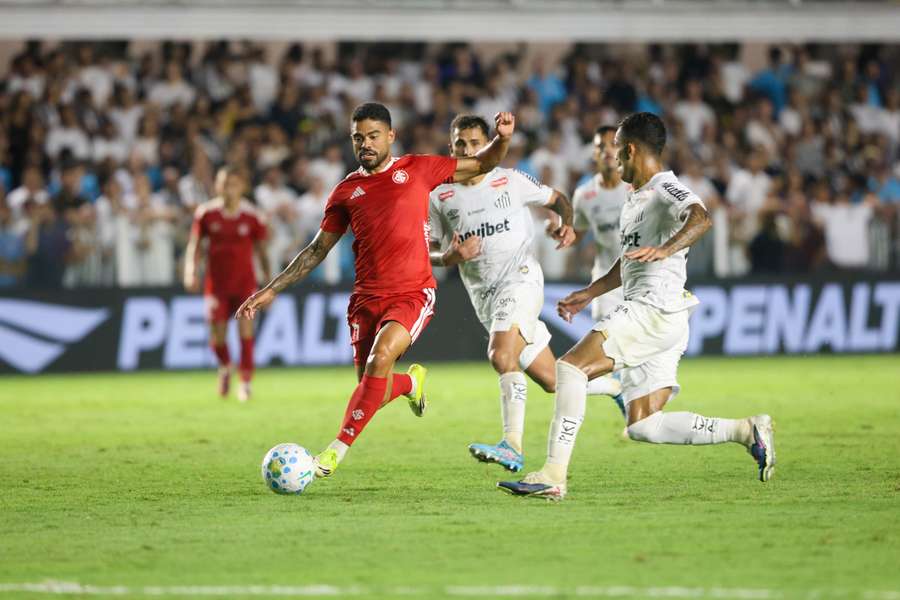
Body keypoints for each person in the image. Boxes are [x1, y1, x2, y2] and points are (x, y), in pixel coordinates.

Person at [499, 113, 776, 500]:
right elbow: (629, 259)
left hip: (654, 309)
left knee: (570, 369)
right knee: (644, 425)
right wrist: (591, 292)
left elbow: (702, 218)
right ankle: (747, 430)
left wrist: (665, 249)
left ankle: (552, 474)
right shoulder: (635, 198)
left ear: (629, 149)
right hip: (660, 314)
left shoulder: (666, 188)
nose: (613, 157)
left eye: (616, 149)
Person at [237, 102, 515, 479]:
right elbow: (317, 249)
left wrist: (502, 138)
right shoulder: (345, 192)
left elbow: (482, 164)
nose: (364, 144)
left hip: (413, 293)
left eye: (372, 136)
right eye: (357, 137)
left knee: (379, 358)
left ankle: (333, 452)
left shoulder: (418, 168)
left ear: (389, 136)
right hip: (365, 300)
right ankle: (410, 382)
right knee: (372, 390)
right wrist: (271, 290)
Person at [429, 115, 623, 473]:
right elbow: (426, 251)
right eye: (460, 144)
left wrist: (566, 223)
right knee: (553, 380)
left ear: (486, 145)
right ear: (451, 147)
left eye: (474, 143)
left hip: (520, 279)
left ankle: (512, 445)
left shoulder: (511, 180)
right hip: (484, 297)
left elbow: (558, 198)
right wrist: (450, 257)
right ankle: (613, 387)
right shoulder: (439, 196)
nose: (468, 150)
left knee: (501, 356)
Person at [184, 166, 270, 402]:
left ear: (242, 187)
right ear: (217, 186)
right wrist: (191, 270)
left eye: (233, 184)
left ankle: (245, 383)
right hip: (217, 285)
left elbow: (262, 252)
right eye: (224, 184)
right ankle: (224, 367)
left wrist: (271, 285)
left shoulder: (252, 216)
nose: (228, 189)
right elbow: (195, 245)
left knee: (245, 332)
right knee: (218, 335)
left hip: (245, 285)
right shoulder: (206, 213)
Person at [572, 126, 629, 322]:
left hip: (640, 278)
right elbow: (575, 236)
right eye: (600, 146)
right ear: (594, 154)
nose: (607, 150)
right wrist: (560, 231)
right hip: (606, 282)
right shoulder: (584, 195)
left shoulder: (637, 186)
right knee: (609, 346)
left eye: (613, 144)